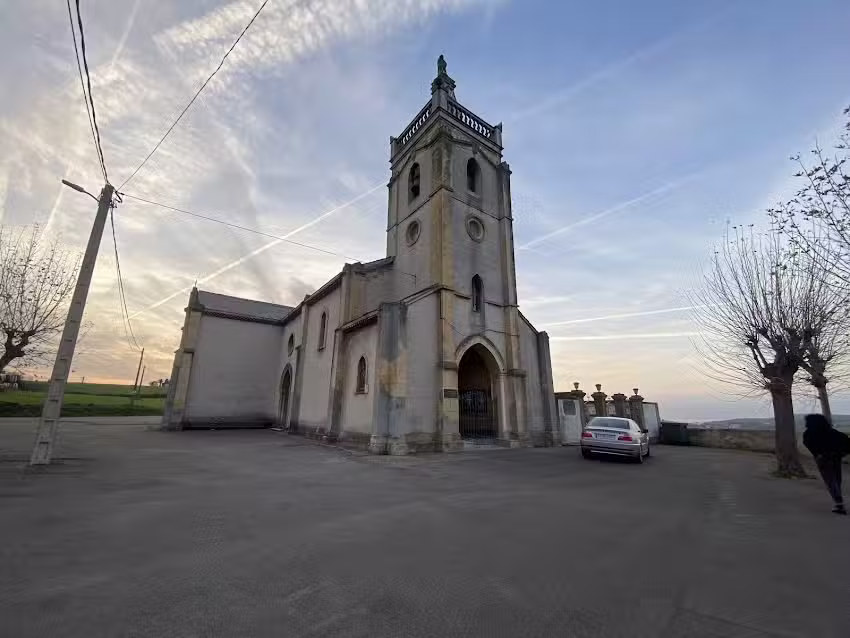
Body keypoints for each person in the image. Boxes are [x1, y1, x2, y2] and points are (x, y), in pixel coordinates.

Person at [803, 414, 850, 515]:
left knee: (830, 481)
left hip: (823, 459)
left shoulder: (808, 433)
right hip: (835, 458)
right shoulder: (833, 432)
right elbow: (846, 442)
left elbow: (808, 444)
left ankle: (839, 503)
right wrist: (841, 454)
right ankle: (838, 500)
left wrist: (817, 454)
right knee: (837, 479)